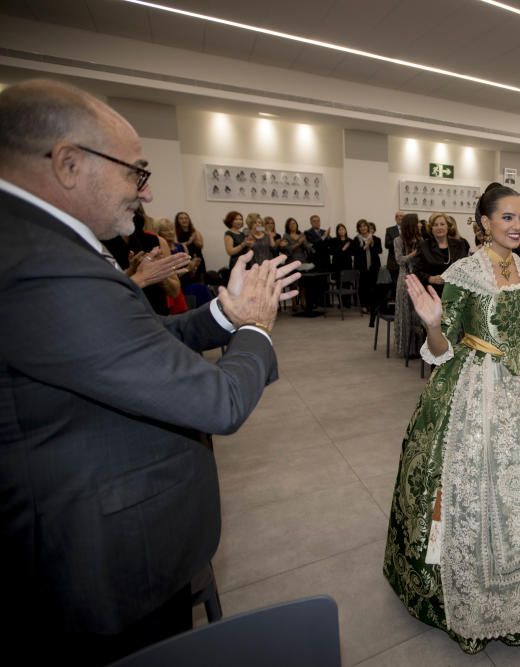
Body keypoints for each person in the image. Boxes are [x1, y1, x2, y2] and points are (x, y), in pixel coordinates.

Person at [0, 78, 300, 665]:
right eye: (136, 171)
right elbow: (219, 402)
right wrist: (256, 328)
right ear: (68, 163)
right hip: (98, 561)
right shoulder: (42, 264)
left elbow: (137, 342)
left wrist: (223, 314)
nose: (147, 189)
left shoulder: (43, 244)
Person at [383, 183, 520, 654]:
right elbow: (444, 349)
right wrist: (430, 320)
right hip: (473, 386)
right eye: (507, 217)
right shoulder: (464, 272)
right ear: (484, 223)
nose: (517, 225)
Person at [415, 212, 470, 296]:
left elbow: (467, 267)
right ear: (431, 228)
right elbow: (416, 271)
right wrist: (430, 278)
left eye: (442, 224)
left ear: (447, 226)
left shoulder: (460, 244)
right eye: (435, 225)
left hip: (456, 292)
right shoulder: (424, 246)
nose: (439, 227)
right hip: (433, 293)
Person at [394, 213, 422, 357]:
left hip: (418, 279)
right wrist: (414, 254)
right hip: (404, 279)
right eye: (416, 222)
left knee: (417, 314)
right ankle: (405, 348)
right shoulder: (398, 240)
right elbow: (399, 260)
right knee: (405, 313)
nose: (419, 224)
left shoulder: (420, 240)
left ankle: (418, 348)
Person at [354, 219, 382, 314]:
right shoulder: (356, 239)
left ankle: (373, 305)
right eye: (360, 226)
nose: (363, 228)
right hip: (362, 267)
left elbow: (379, 251)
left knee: (373, 286)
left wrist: (372, 244)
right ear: (358, 229)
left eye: (364, 226)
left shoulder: (376, 239)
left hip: (374, 266)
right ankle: (364, 306)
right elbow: (355, 253)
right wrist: (366, 246)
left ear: (368, 227)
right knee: (363, 286)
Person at [174, 211, 205, 284]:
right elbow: (175, 245)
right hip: (184, 262)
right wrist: (189, 241)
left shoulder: (195, 231)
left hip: (197, 258)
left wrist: (195, 240)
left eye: (186, 218)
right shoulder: (175, 233)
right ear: (177, 221)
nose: (184, 220)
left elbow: (201, 245)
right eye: (181, 218)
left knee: (200, 280)